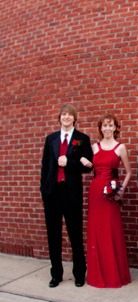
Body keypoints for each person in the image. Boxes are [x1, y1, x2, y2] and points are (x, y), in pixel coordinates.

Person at [40, 104, 93, 288]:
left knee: (75, 235)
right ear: (59, 118)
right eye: (64, 115)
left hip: (71, 194)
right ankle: (56, 274)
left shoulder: (82, 139)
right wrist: (44, 190)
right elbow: (45, 167)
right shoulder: (51, 139)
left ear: (74, 118)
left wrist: (69, 163)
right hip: (52, 194)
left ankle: (79, 274)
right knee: (53, 236)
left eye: (70, 115)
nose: (66, 118)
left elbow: (89, 166)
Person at [86, 114, 132, 288]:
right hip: (96, 192)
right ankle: (97, 274)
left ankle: (114, 274)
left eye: (110, 125)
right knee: (97, 231)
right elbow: (88, 167)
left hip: (111, 195)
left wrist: (121, 190)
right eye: (104, 125)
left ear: (115, 128)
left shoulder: (120, 148)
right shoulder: (94, 148)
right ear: (101, 128)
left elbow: (128, 172)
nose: (107, 128)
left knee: (111, 231)